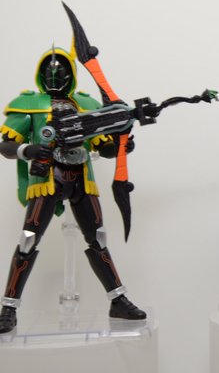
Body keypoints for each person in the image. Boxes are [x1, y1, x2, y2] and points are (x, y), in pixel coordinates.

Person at [0, 47, 146, 334]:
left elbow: (102, 145)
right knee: (28, 239)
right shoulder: (29, 104)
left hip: (81, 178)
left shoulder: (86, 104)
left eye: (61, 71)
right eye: (49, 71)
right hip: (47, 179)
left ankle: (118, 300)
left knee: (98, 238)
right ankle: (8, 308)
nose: (55, 75)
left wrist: (121, 146)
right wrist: (29, 149)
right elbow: (5, 145)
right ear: (41, 73)